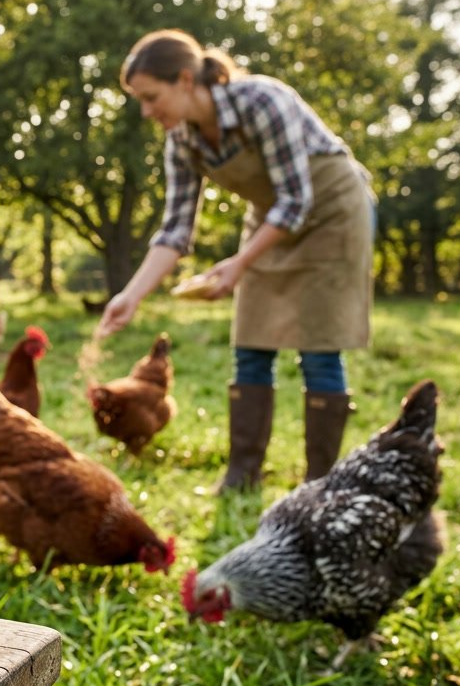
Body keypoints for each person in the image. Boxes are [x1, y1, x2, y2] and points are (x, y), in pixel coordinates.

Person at [98, 29, 374, 490]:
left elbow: (296, 199)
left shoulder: (262, 102)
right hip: (271, 220)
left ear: (185, 80)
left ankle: (319, 486)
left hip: (330, 213)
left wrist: (240, 263)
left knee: (320, 350)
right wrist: (132, 295)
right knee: (250, 345)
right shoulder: (182, 142)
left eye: (151, 97)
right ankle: (243, 474)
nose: (147, 111)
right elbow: (176, 230)